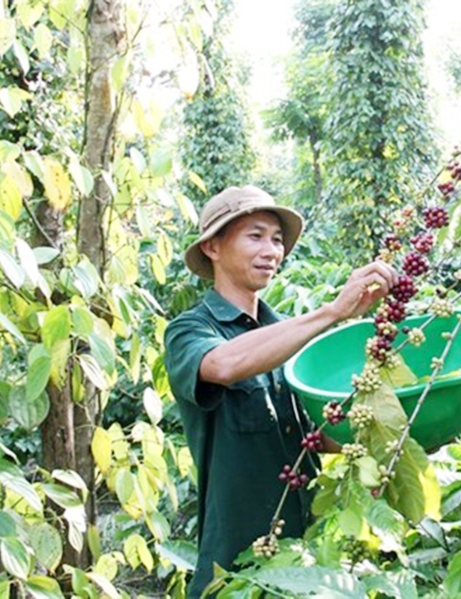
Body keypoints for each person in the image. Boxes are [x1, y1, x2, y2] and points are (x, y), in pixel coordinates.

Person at [163, 185, 398, 597]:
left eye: (276, 239)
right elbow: (223, 364)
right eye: (255, 236)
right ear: (213, 248)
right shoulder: (190, 330)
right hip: (237, 568)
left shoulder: (287, 334)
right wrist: (332, 312)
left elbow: (316, 434)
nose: (272, 250)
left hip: (304, 561)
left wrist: (391, 436)